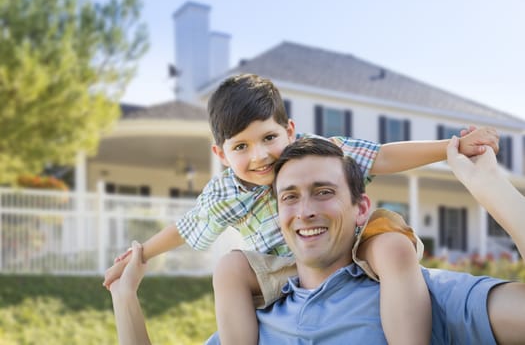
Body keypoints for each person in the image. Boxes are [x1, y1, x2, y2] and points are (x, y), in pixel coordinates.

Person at [104, 73, 500, 345]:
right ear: (220, 155)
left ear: (290, 131)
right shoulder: (225, 191)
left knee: (392, 247)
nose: (259, 156)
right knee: (229, 268)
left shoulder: (320, 154)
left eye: (268, 138)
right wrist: (139, 255)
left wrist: (450, 148)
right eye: (241, 147)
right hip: (283, 266)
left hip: (352, 242)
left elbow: (382, 156)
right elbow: (186, 227)